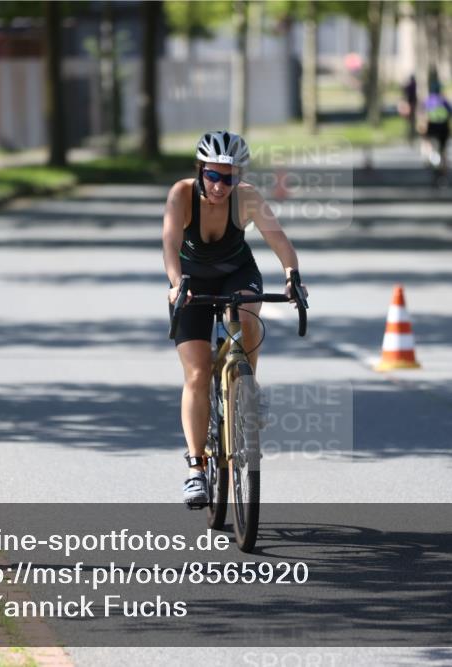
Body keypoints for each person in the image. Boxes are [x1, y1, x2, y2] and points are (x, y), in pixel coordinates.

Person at [162, 131, 306, 508]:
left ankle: (248, 389)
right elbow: (170, 243)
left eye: (229, 176)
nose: (221, 185)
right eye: (213, 175)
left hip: (236, 272)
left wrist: (292, 275)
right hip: (191, 280)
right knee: (196, 373)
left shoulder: (247, 197)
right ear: (200, 170)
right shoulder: (182, 194)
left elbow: (280, 242)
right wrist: (177, 285)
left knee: (246, 313)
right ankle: (196, 469)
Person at [418, 80, 452, 185]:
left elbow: (422, 116)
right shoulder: (444, 101)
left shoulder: (427, 101)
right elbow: (449, 116)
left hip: (432, 128)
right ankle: (444, 173)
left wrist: (422, 130)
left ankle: (430, 159)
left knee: (429, 144)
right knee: (443, 151)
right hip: (443, 129)